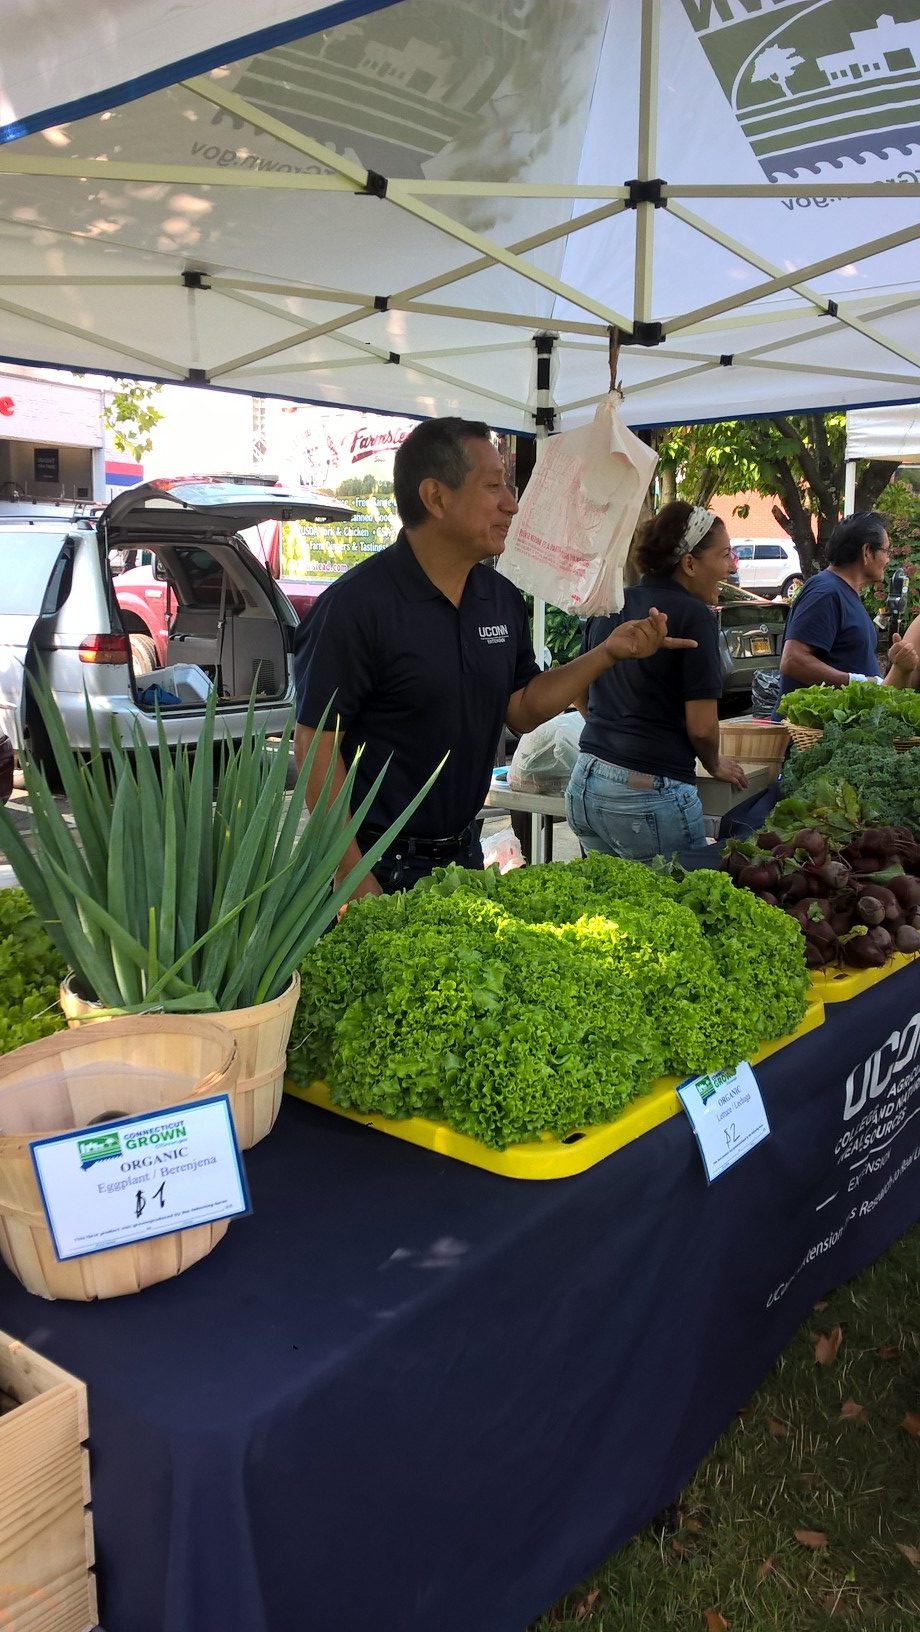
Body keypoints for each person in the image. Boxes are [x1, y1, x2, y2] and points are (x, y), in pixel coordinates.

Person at [293, 417, 697, 895]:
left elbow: (521, 708)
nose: (512, 503)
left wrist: (607, 653)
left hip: (462, 859)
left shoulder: (500, 598)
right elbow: (314, 746)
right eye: (493, 486)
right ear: (436, 497)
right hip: (375, 863)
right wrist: (353, 880)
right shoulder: (357, 606)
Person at [565, 501, 747, 863]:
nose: (730, 567)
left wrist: (615, 739)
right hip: (646, 795)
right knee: (684, 908)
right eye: (724, 554)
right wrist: (715, 764)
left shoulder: (614, 604)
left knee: (615, 913)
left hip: (586, 783)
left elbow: (578, 691)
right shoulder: (694, 617)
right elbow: (702, 727)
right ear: (690, 563)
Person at [778, 512, 917, 699]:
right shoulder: (825, 592)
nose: (888, 559)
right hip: (809, 728)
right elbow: (792, 660)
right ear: (867, 552)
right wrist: (859, 682)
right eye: (886, 551)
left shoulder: (843, 592)